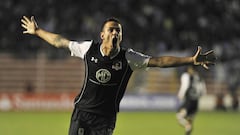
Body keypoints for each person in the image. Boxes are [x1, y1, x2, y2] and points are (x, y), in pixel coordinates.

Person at [21, 16, 216, 135]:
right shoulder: (88, 49)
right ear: (102, 35)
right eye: (111, 30)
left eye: (118, 31)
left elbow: (159, 61)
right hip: (82, 113)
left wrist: (190, 60)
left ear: (120, 36)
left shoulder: (129, 57)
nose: (115, 32)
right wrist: (37, 31)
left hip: (105, 119)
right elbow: (60, 42)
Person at [176, 66, 207, 135]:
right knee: (190, 120)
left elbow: (185, 86)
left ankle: (187, 126)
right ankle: (188, 131)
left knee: (179, 116)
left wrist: (181, 94)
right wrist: (202, 94)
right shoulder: (199, 77)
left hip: (189, 100)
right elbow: (203, 88)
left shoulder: (186, 76)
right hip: (196, 101)